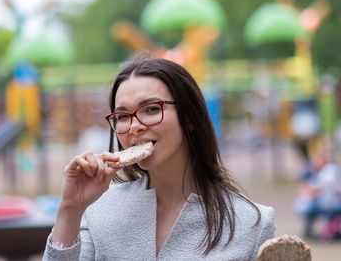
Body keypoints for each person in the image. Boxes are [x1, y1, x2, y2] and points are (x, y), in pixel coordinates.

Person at [43, 56, 276, 260]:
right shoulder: (97, 210)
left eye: (152, 109)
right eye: (123, 116)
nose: (133, 126)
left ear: (190, 118)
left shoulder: (252, 224)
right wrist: (70, 210)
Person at [294, 151, 341, 239]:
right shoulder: (319, 172)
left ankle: (329, 230)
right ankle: (315, 229)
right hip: (324, 202)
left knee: (308, 207)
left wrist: (311, 190)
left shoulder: (329, 170)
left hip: (327, 203)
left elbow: (320, 187)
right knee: (306, 206)